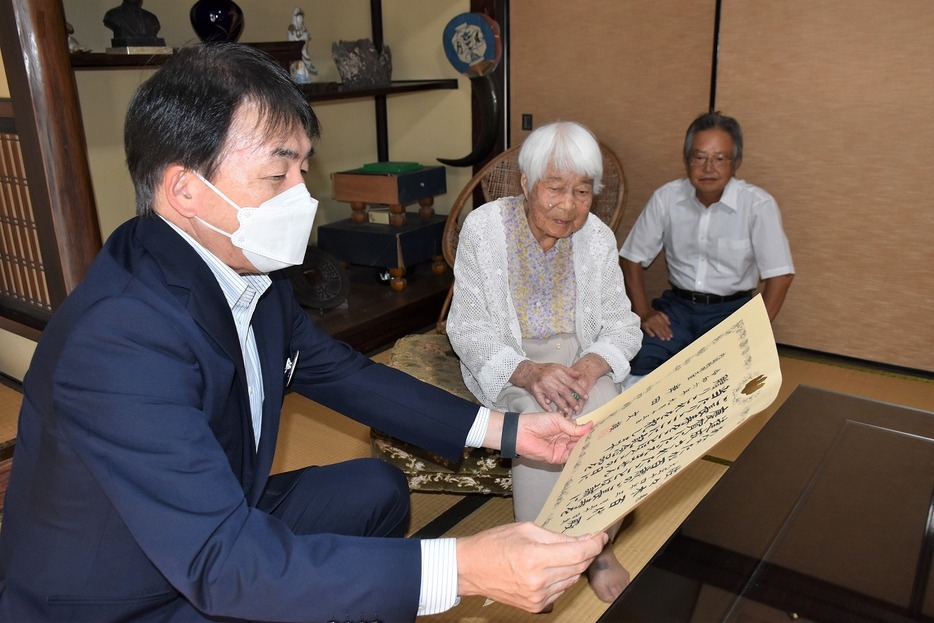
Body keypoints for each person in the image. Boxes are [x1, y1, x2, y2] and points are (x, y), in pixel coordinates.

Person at [0, 43, 608, 622]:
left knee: (376, 488)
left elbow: (345, 374)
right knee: (397, 567)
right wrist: (466, 566)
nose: (303, 195)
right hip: (129, 593)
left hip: (217, 513)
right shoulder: (118, 339)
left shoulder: (241, 267)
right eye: (276, 175)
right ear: (185, 189)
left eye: (303, 168)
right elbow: (221, 561)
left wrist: (513, 432)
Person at [447, 121, 643, 603]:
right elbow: (466, 326)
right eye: (555, 188)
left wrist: (595, 363)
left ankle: (597, 548)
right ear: (525, 185)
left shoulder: (595, 237)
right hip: (511, 361)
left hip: (579, 359)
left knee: (610, 415)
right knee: (543, 424)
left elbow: (623, 322)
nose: (568, 205)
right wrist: (529, 372)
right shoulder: (485, 228)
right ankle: (540, 555)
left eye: (582, 191)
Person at [619, 112, 794, 377]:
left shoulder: (758, 205)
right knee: (641, 360)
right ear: (687, 160)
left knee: (723, 379)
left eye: (719, 159)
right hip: (677, 309)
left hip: (730, 312)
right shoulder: (666, 198)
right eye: (699, 157)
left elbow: (781, 276)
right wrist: (643, 311)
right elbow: (631, 257)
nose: (709, 168)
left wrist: (754, 329)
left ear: (735, 163)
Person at [287, 6, 318, 83]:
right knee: (300, 71)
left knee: (306, 74)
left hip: (302, 55)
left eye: (301, 18)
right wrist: (303, 36)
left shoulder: (303, 29)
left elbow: (305, 41)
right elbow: (295, 41)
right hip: (296, 56)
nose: (301, 20)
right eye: (299, 18)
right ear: (295, 18)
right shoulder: (292, 28)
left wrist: (306, 36)